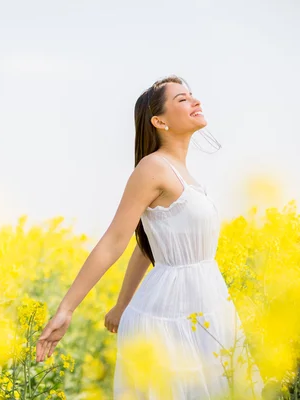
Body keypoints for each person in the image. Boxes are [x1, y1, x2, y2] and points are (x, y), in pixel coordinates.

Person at [34, 75, 264, 398]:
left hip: (208, 303)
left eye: (192, 95)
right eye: (182, 99)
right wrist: (66, 309)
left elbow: (147, 246)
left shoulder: (188, 177)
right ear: (159, 121)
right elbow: (115, 241)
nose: (195, 101)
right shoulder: (152, 168)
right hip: (168, 317)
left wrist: (122, 304)